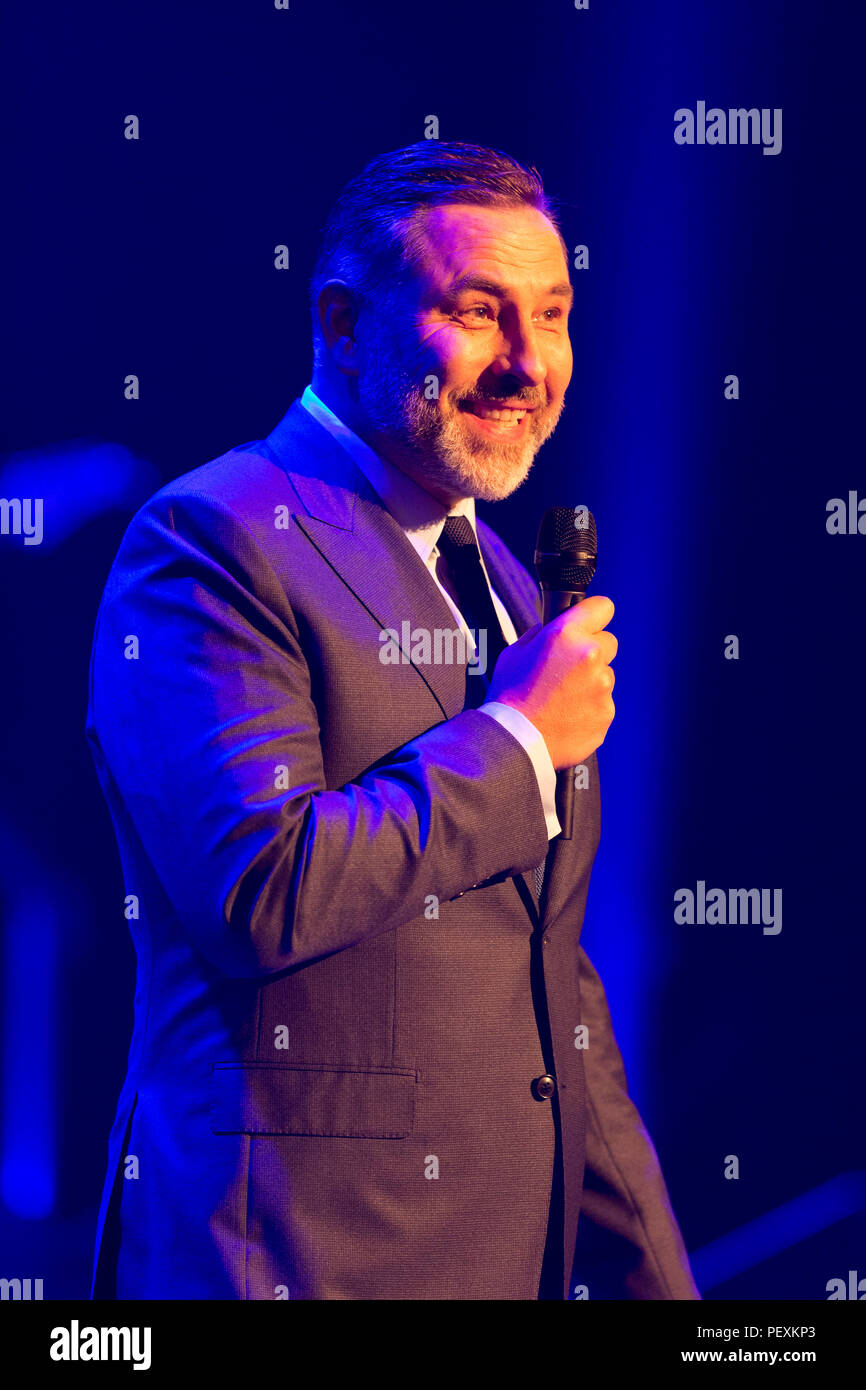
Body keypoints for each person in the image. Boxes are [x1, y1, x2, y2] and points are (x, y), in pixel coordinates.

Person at [86, 141, 699, 1300]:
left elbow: (549, 984)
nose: (528, 363)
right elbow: (258, 890)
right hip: (295, 1264)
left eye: (552, 315)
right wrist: (515, 744)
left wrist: (660, 1287)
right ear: (344, 325)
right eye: (478, 312)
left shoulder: (507, 588)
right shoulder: (212, 543)